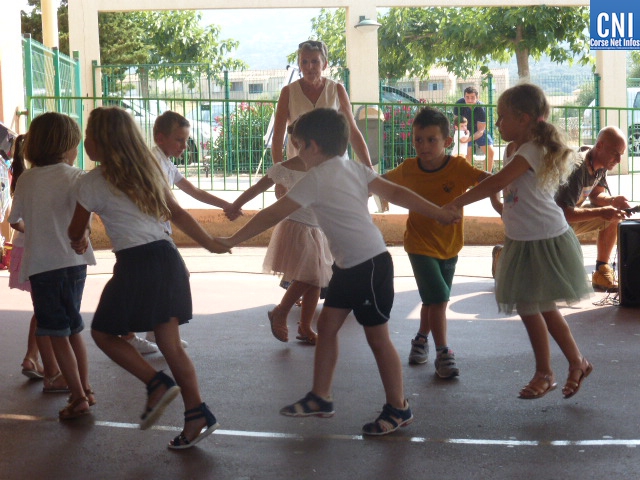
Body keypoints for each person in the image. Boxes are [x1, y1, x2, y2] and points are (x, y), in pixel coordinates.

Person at [216, 108, 460, 435]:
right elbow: (396, 193)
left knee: (377, 338)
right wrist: (437, 212)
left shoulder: (316, 178)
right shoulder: (354, 168)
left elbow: (272, 214)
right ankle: (320, 396)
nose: (298, 155)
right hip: (349, 265)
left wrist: (231, 239)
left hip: (368, 265)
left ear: (313, 146)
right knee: (328, 325)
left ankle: (398, 407)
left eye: (299, 147)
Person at [68, 106, 228, 449]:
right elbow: (178, 214)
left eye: (89, 136)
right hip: (167, 259)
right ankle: (197, 413)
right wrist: (210, 243)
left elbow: (75, 229)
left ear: (102, 141)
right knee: (171, 345)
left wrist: (80, 237)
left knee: (102, 333)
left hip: (136, 264)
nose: (85, 143)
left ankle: (155, 382)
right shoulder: (148, 172)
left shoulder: (90, 182)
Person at [446, 83, 593, 400]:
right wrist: (501, 204)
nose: (497, 123)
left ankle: (547, 372)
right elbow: (511, 188)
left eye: (502, 117)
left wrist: (457, 203)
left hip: (543, 238)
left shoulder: (530, 151)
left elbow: (498, 181)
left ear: (524, 118)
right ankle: (575, 362)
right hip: (523, 238)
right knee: (539, 308)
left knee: (532, 306)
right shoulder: (515, 149)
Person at [383, 107, 501, 378]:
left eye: (431, 140)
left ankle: (420, 340)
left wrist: (498, 203)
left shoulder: (458, 167)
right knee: (438, 297)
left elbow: (491, 181)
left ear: (447, 141)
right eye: (418, 139)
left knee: (434, 301)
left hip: (450, 246)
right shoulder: (408, 169)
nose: (423, 146)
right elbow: (378, 183)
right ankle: (443, 353)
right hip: (419, 246)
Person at [123, 111, 238, 354]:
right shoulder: (152, 161)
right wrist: (208, 241)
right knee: (158, 280)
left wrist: (226, 205)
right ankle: (134, 334)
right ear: (160, 138)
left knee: (164, 279)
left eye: (185, 140)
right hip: (147, 234)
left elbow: (194, 191)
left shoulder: (166, 162)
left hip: (158, 233)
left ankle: (153, 331)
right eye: (179, 140)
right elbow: (174, 209)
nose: (184, 146)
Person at [8, 112, 96, 419]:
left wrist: (37, 229)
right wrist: (83, 236)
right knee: (74, 328)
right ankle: (86, 388)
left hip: (42, 266)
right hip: (75, 262)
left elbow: (15, 220)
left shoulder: (28, 179)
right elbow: (87, 217)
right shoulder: (78, 176)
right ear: (65, 146)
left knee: (56, 332)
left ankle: (77, 396)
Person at [225, 149, 332, 344]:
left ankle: (305, 326)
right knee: (311, 276)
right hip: (297, 228)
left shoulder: (326, 165)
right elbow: (257, 188)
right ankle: (281, 312)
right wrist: (235, 205)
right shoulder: (285, 168)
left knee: (316, 281)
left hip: (317, 229)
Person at [8, 134, 69, 391]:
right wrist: (35, 231)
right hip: (36, 250)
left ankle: (33, 358)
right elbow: (16, 221)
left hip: (29, 248)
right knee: (46, 310)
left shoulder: (27, 179)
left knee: (42, 308)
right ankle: (48, 368)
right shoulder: (37, 180)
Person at [271, 40, 372, 177]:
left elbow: (352, 132)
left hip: (334, 169)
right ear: (299, 65)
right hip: (300, 169)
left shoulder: (337, 90)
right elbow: (278, 137)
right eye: (304, 62)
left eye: (315, 61)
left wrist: (369, 170)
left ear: (325, 64)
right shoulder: (288, 92)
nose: (309, 67)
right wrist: (279, 177)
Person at [555, 126, 630, 292]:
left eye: (621, 154)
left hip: (565, 223)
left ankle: (601, 271)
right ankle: (507, 256)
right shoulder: (577, 168)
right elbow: (564, 214)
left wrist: (612, 201)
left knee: (614, 216)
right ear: (600, 146)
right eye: (615, 153)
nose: (618, 160)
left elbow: (596, 194)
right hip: (550, 225)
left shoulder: (600, 162)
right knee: (561, 282)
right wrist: (602, 212)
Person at [454, 86, 496, 172]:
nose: (469, 100)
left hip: (478, 130)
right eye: (467, 97)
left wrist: (468, 139)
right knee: (467, 154)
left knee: (491, 152)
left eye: (472, 97)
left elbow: (481, 130)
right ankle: (469, 177)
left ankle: (486, 176)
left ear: (477, 97)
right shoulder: (458, 104)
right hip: (464, 131)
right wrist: (463, 137)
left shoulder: (481, 108)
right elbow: (457, 123)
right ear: (464, 97)